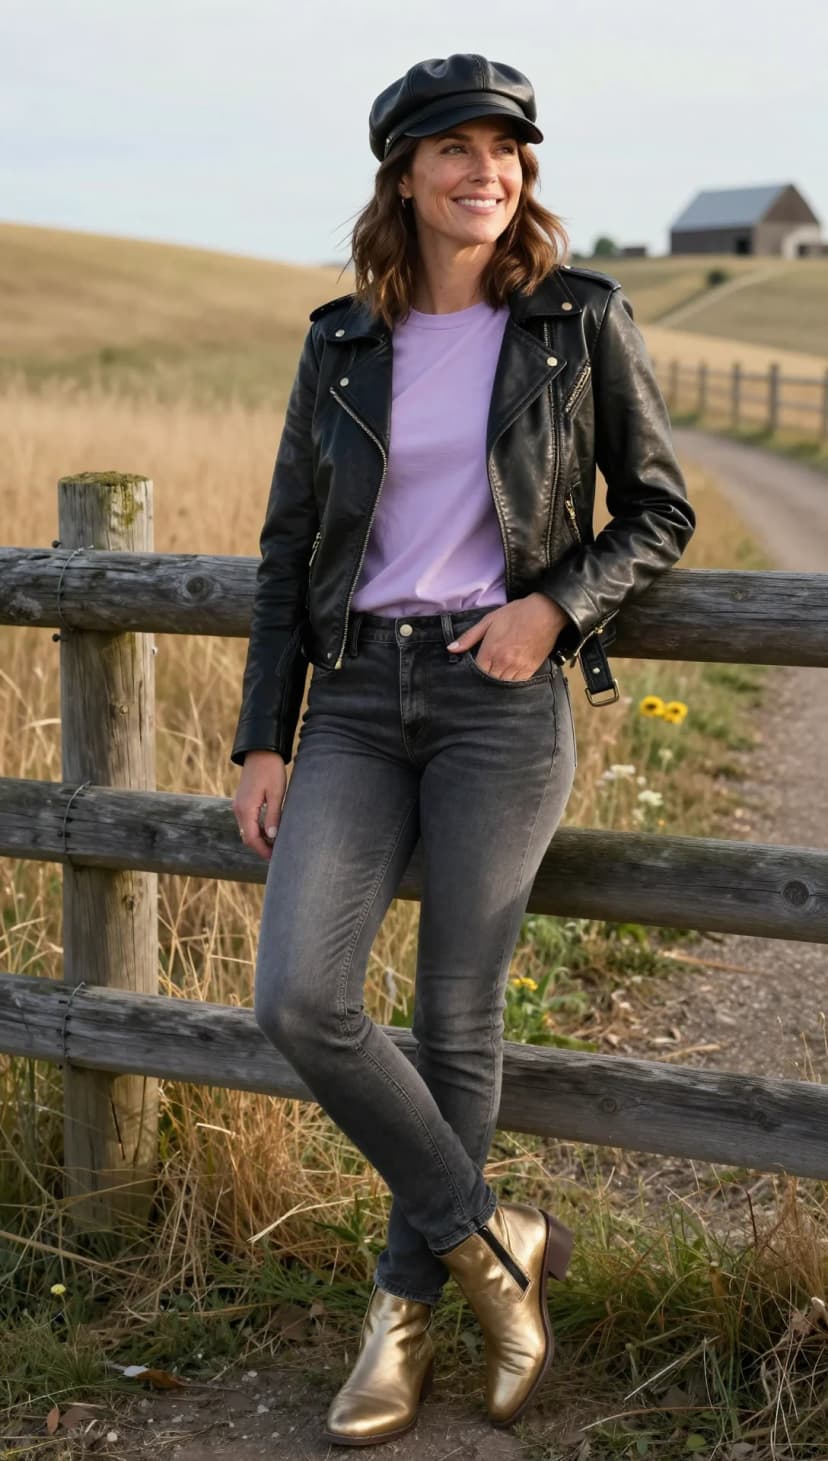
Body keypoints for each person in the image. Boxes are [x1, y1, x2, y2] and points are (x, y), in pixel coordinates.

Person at [231, 52, 696, 1447]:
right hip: (360, 701)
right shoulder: (341, 340)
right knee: (300, 997)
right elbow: (283, 550)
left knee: (456, 1016)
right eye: (453, 149)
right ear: (404, 174)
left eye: (504, 148)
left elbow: (657, 511)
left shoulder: (579, 320)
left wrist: (552, 606)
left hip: (499, 702)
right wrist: (266, 736)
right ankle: (496, 1243)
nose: (483, 170)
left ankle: (401, 1309)